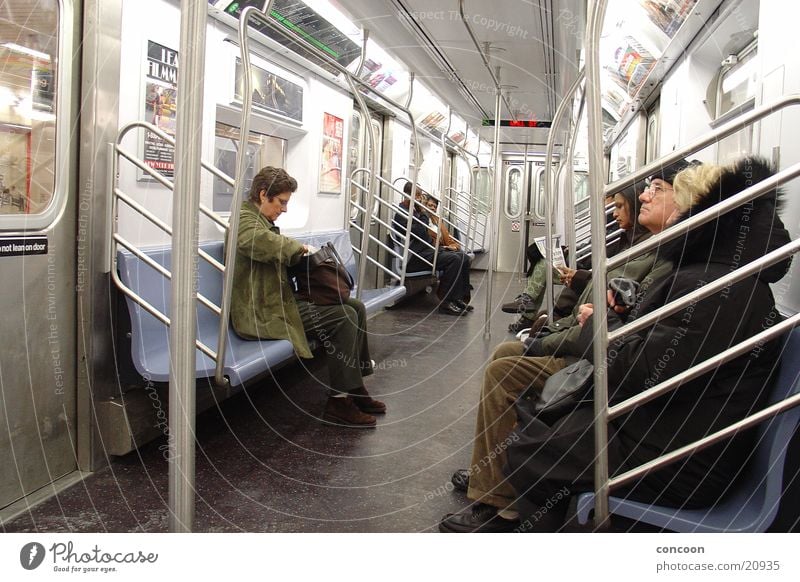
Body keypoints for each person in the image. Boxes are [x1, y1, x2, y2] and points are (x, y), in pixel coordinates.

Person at [440, 156, 791, 533]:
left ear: (701, 215)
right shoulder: (714, 277)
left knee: (534, 449)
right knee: (544, 430)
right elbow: (656, 353)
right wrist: (620, 318)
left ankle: (514, 513)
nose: (658, 207)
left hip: (678, 460)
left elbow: (640, 372)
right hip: (670, 430)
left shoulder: (715, 288)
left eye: (675, 204)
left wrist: (600, 326)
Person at [231, 166, 385, 428]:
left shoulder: (260, 221)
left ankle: (355, 386)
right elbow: (255, 242)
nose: (284, 209)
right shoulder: (244, 221)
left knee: (355, 307)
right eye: (281, 202)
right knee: (343, 317)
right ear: (263, 194)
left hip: (279, 302)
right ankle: (339, 402)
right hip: (262, 312)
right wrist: (298, 247)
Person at [504, 192, 617, 333]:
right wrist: (571, 250)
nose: (603, 203)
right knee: (540, 255)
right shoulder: (610, 225)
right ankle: (528, 305)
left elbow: (594, 255)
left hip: (583, 269)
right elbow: (591, 247)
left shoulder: (614, 230)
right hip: (583, 264)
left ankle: (528, 306)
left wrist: (571, 254)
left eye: (606, 199)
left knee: (544, 264)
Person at [392, 182, 472, 315]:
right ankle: (446, 303)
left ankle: (457, 298)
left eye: (421, 195)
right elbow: (422, 234)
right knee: (453, 260)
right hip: (414, 258)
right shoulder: (403, 214)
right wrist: (423, 211)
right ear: (408, 196)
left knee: (463, 257)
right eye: (417, 195)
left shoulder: (414, 211)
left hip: (426, 252)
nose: (420, 199)